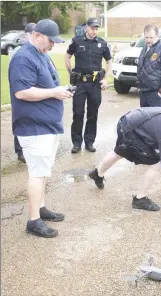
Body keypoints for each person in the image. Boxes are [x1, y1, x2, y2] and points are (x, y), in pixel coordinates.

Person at [8, 19, 73, 238]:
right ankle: (33, 220)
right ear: (37, 36)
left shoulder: (41, 55)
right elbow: (22, 92)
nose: (53, 45)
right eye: (51, 40)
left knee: (43, 171)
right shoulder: (23, 57)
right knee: (37, 173)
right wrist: (54, 93)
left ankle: (41, 208)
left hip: (46, 126)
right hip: (33, 127)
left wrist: (59, 89)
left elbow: (46, 85)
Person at [65, 17, 112, 154]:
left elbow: (109, 61)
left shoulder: (102, 43)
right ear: (86, 27)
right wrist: (70, 73)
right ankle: (76, 143)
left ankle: (89, 141)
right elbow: (67, 56)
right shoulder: (76, 41)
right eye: (92, 28)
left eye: (97, 28)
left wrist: (106, 78)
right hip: (80, 83)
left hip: (95, 84)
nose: (94, 31)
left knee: (93, 114)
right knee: (78, 113)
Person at [10, 22, 36, 163]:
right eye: (33, 33)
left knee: (30, 119)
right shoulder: (19, 51)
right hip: (20, 88)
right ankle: (20, 151)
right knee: (20, 119)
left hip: (31, 88)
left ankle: (28, 148)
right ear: (27, 34)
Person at [137, 25, 161, 108]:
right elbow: (141, 68)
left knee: (157, 119)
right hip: (144, 92)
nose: (148, 40)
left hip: (157, 93)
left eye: (151, 37)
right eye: (146, 37)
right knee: (145, 119)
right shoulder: (144, 49)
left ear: (157, 36)